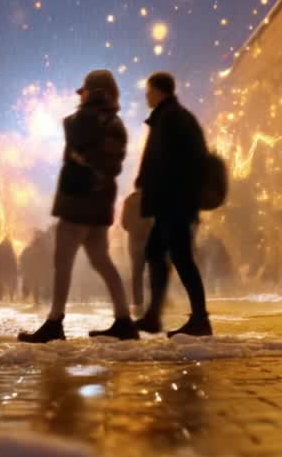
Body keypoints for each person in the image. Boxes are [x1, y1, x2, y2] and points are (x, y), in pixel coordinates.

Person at [20, 70, 139, 342]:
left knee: (63, 260)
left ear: (96, 92)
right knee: (101, 261)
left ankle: (55, 322)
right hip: (98, 204)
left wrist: (89, 110)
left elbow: (85, 143)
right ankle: (123, 320)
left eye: (84, 90)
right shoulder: (114, 122)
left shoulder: (93, 120)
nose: (80, 95)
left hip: (79, 201)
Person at [133, 72, 212, 338]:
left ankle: (196, 319)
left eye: (149, 90)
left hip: (174, 202)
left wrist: (155, 184)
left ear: (159, 91)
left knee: (171, 256)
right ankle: (159, 315)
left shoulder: (173, 118)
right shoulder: (169, 117)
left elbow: (179, 161)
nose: (146, 95)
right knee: (166, 255)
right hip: (173, 201)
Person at [121, 190, 151, 313]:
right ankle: (156, 302)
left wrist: (134, 229)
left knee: (137, 273)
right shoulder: (153, 197)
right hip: (151, 238)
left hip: (134, 241)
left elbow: (124, 223)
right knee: (155, 270)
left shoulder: (129, 200)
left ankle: (138, 303)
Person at [0, 237, 19, 302]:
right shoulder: (10, 249)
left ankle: (0, 296)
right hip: (9, 269)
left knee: (0, 283)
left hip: (1, 268)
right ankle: (11, 296)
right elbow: (13, 259)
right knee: (10, 282)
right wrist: (15, 269)